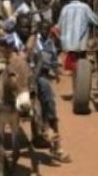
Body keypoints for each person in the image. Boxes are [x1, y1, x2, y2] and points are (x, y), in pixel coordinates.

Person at [33, 20, 71, 163]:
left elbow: (55, 61)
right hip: (30, 74)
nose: (43, 30)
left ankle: (56, 145)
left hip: (43, 75)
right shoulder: (33, 41)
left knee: (49, 103)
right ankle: (43, 134)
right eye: (41, 28)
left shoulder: (51, 44)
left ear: (49, 30)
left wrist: (56, 71)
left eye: (46, 29)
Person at [58, 0, 98, 73]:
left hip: (67, 46)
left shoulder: (65, 8)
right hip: (80, 46)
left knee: (71, 68)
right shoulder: (85, 7)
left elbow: (59, 26)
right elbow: (96, 21)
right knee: (81, 69)